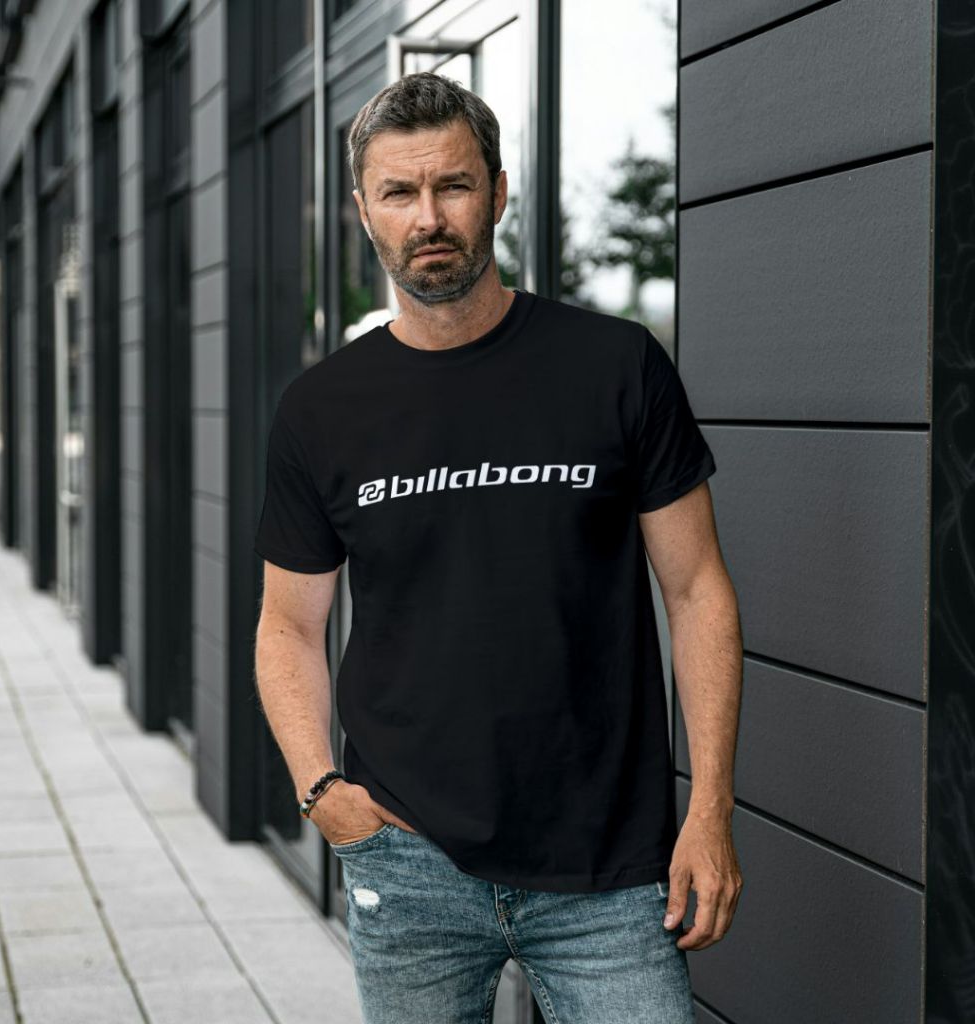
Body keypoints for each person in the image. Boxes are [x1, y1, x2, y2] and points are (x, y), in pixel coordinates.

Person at [254, 70, 744, 1024]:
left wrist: (711, 807)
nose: (429, 217)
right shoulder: (320, 410)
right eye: (400, 192)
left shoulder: (616, 366)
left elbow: (697, 592)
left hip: (609, 864)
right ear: (364, 211)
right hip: (407, 857)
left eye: (454, 185)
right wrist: (322, 793)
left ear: (499, 193)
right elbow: (287, 627)